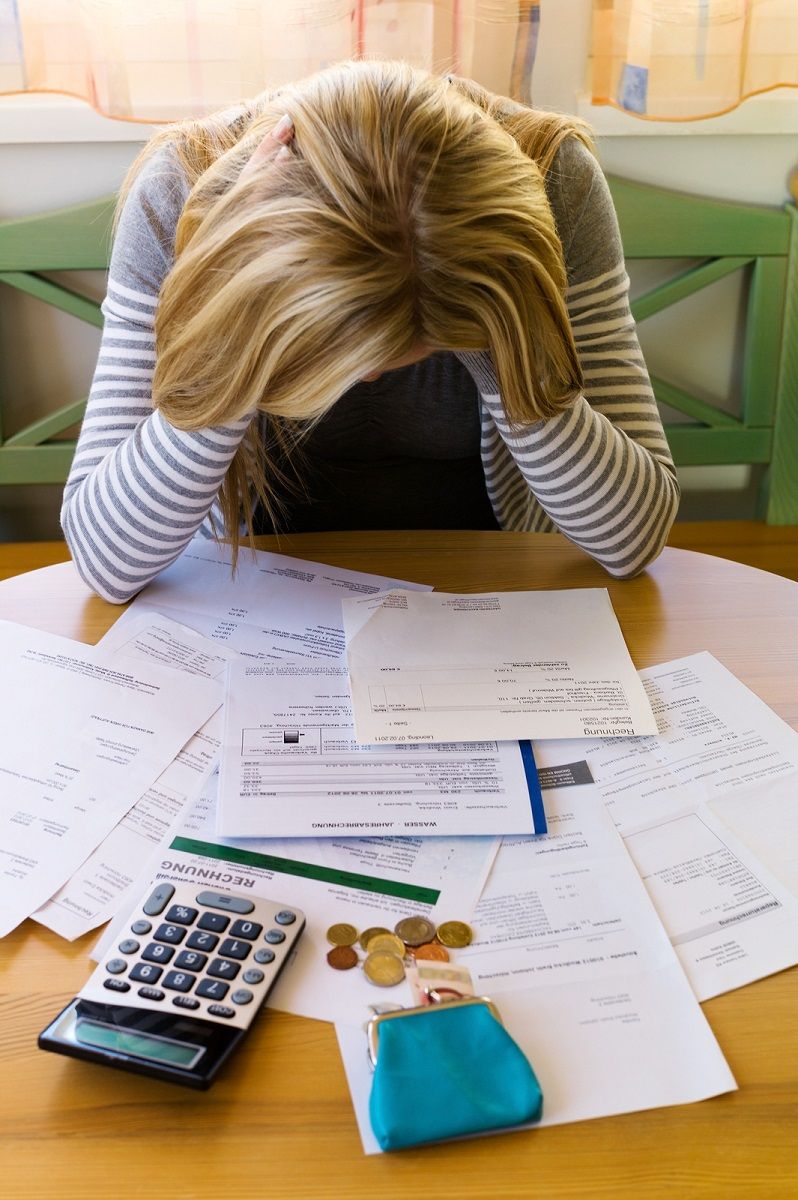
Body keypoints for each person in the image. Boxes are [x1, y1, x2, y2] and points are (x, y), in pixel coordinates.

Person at [62, 59, 679, 603]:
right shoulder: (178, 191)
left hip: (491, 585)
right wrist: (238, 316)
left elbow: (632, 540)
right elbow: (105, 562)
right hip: (249, 593)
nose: (373, 376)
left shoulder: (555, 181)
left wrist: (506, 327)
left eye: (417, 348)